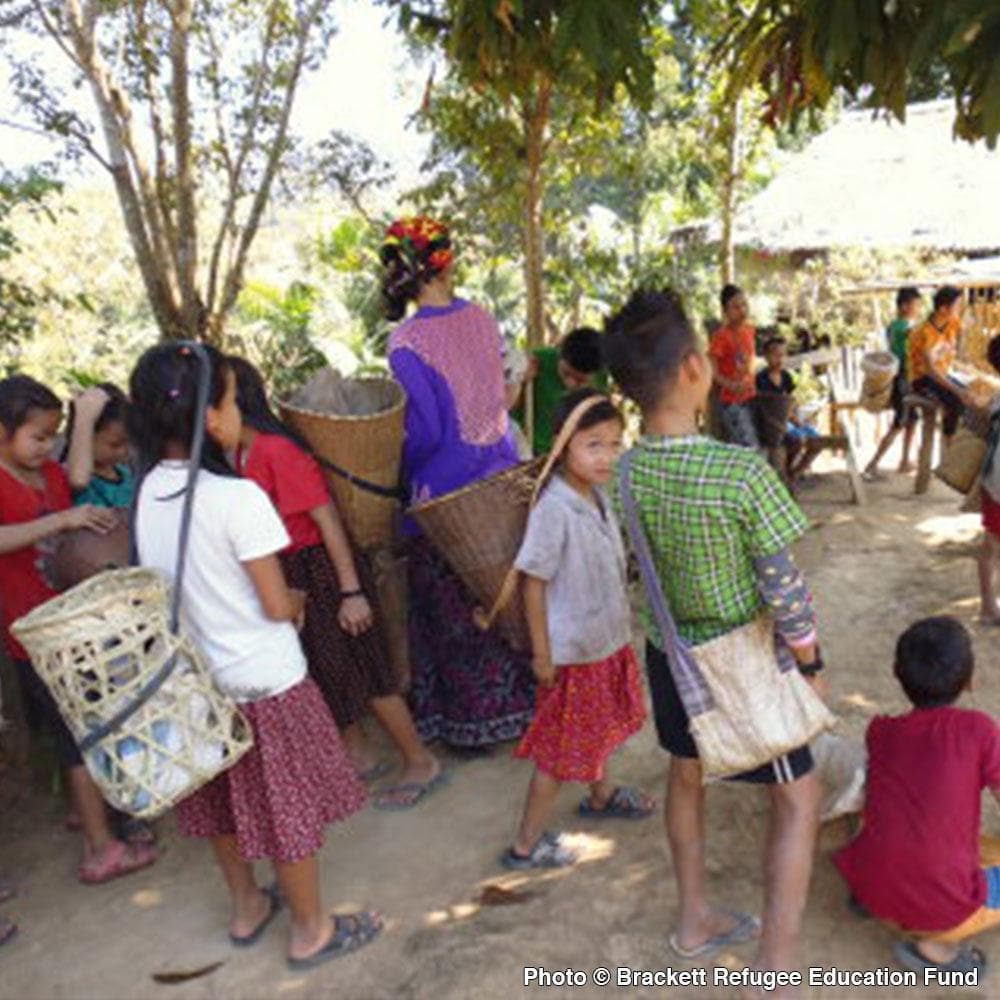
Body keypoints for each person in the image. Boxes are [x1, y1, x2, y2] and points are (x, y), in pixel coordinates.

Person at [129, 344, 380, 968]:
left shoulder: (147, 495)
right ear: (213, 419)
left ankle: (247, 905)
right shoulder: (235, 498)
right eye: (234, 400)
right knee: (287, 807)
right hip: (266, 682)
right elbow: (274, 606)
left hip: (202, 687)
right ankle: (310, 930)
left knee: (222, 807)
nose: (240, 412)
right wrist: (296, 597)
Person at [604, 290, 824, 997]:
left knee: (685, 771)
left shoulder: (628, 472)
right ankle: (776, 965)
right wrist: (811, 663)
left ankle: (693, 917)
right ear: (697, 366)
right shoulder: (741, 472)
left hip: (672, 659)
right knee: (799, 796)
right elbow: (785, 589)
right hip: (742, 664)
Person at [228, 356, 442, 809]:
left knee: (365, 665)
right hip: (294, 568)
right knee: (329, 668)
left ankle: (419, 760)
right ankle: (359, 757)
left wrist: (351, 591)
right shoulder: (241, 452)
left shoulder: (275, 450)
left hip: (321, 566)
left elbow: (326, 520)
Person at [383, 215, 535, 749]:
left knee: (450, 605)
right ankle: (525, 700)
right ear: (447, 261)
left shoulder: (405, 342)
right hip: (501, 474)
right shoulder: (483, 320)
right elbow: (498, 398)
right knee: (503, 590)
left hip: (442, 490)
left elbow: (421, 431)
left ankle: (471, 722)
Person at [0, 376, 156, 884]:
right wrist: (60, 522)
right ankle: (100, 847)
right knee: (78, 739)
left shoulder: (48, 471)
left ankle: (92, 812)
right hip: (36, 635)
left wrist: (82, 419)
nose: (47, 447)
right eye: (38, 436)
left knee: (88, 726)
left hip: (76, 626)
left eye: (52, 436)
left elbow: (80, 472)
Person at [502, 389, 653, 870]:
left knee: (600, 728)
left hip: (604, 641)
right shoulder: (554, 508)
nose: (607, 455)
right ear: (563, 445)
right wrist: (542, 655)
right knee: (559, 751)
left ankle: (602, 794)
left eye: (614, 443)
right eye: (593, 444)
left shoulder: (599, 496)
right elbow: (532, 584)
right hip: (573, 654)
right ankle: (525, 845)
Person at [834, 617, 1000, 978]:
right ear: (971, 680)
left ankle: (871, 900)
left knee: (928, 835)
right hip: (939, 905)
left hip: (871, 884)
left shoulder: (879, 731)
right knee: (969, 855)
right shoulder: (979, 730)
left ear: (897, 673)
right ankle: (936, 948)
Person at [516, 327, 606, 456]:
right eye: (566, 373)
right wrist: (518, 378)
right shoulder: (536, 361)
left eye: (580, 381)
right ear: (560, 354)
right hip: (529, 452)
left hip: (571, 457)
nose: (569, 383)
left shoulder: (601, 377)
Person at [863, 287, 923, 481]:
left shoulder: (897, 326)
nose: (918, 308)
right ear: (904, 306)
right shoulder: (901, 326)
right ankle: (872, 464)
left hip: (906, 378)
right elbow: (914, 335)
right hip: (901, 379)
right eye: (916, 304)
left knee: (912, 420)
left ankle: (905, 460)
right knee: (899, 423)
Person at [754, 337, 823, 487]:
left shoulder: (786, 377)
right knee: (796, 440)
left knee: (818, 440)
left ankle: (795, 472)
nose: (780, 359)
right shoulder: (761, 379)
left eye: (783, 355)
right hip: (772, 424)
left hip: (789, 420)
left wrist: (795, 418)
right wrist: (787, 420)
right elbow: (764, 407)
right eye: (775, 355)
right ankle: (787, 469)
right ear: (766, 356)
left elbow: (791, 402)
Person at [909, 286, 970, 450]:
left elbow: (956, 347)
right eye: (957, 305)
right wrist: (957, 391)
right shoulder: (923, 332)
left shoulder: (953, 323)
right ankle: (949, 446)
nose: (959, 309)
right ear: (943, 308)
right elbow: (930, 371)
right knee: (956, 400)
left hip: (942, 373)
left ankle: (952, 440)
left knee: (970, 395)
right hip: (922, 378)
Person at [62, 384, 135, 507]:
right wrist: (85, 418)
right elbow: (78, 481)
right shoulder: (67, 475)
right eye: (114, 445)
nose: (123, 451)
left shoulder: (126, 475)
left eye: (128, 443)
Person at [710, 284, 759, 449]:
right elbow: (712, 371)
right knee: (749, 449)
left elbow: (750, 361)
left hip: (751, 397)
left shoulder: (750, 331)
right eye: (736, 307)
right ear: (725, 311)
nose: (742, 310)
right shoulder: (721, 337)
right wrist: (731, 385)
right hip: (732, 402)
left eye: (744, 305)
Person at [976, 335, 1000, 625]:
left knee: (990, 545)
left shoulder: (995, 399)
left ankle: (986, 606)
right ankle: (987, 606)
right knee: (991, 546)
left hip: (993, 481)